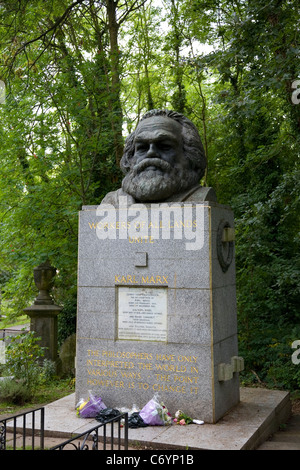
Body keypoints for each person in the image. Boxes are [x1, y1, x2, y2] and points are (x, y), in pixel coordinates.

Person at [102, 109, 217, 205]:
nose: (151, 152)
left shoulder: (200, 199)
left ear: (190, 155)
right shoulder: (111, 202)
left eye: (164, 146)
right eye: (142, 147)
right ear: (130, 157)